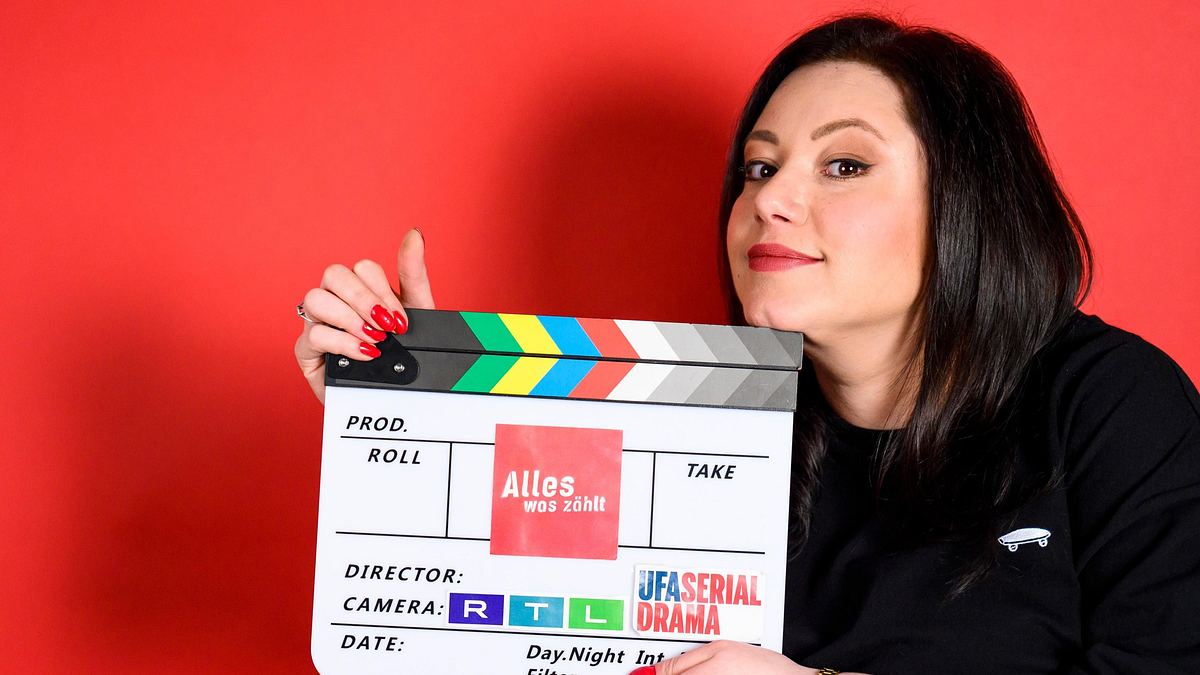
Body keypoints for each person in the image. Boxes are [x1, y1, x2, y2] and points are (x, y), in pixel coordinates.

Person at [294, 12, 1200, 674]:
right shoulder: (699, 420)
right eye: (759, 167)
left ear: (967, 208)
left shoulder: (1112, 405)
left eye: (844, 164)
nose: (770, 198)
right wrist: (418, 426)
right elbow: (510, 629)